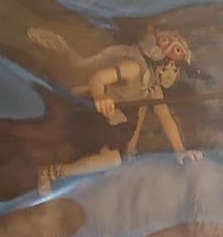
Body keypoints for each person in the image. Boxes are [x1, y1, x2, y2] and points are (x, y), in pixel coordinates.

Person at [27, 25, 203, 194]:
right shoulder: (134, 68)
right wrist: (100, 98)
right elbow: (98, 79)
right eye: (170, 65)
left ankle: (55, 171)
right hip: (94, 112)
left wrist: (180, 150)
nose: (171, 72)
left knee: (136, 117)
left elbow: (165, 117)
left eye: (175, 68)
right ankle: (50, 172)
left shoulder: (153, 88)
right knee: (112, 160)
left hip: (114, 120)